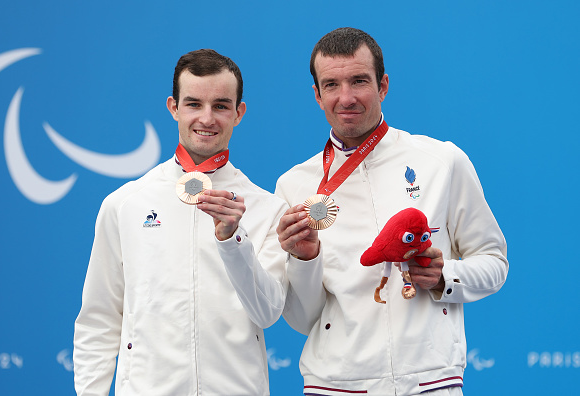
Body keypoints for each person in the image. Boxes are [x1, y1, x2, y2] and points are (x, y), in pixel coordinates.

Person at [275, 27, 508, 396]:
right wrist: (304, 260)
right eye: (332, 85)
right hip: (336, 385)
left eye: (359, 81)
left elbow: (494, 263)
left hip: (430, 382)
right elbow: (303, 318)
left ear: (383, 85)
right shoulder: (294, 185)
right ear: (317, 96)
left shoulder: (441, 161)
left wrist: (444, 275)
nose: (346, 97)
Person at [74, 49, 288, 395]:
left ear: (239, 113)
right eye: (193, 104)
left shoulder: (266, 208)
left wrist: (233, 241)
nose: (207, 118)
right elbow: (98, 319)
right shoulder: (125, 203)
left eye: (220, 105)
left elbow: (267, 313)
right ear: (174, 107)